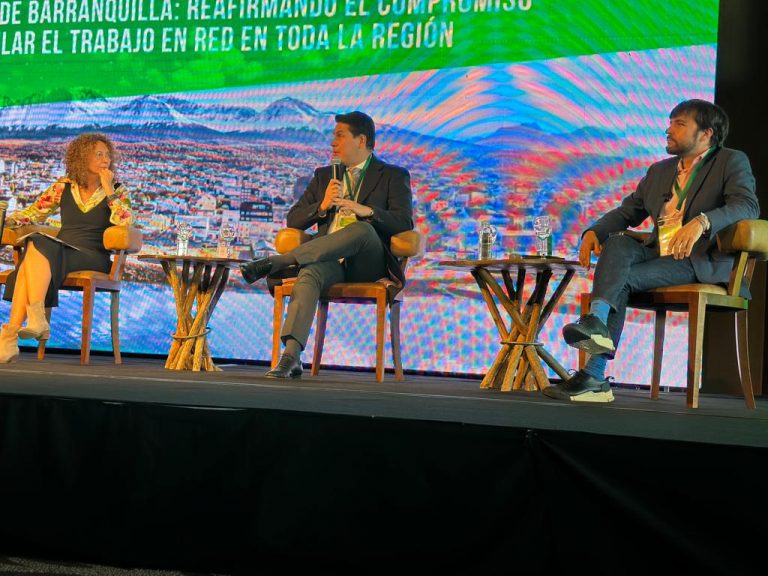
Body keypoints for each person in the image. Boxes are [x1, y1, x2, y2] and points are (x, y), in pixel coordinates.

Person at [544, 99, 759, 402]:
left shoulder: (730, 161)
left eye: (679, 124)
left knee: (622, 278)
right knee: (617, 241)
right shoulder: (660, 170)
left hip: (698, 258)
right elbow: (628, 211)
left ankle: (594, 375)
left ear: (707, 134)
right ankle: (596, 327)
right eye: (670, 122)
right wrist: (594, 231)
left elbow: (747, 205)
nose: (668, 130)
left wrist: (702, 221)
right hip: (659, 252)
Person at [239, 111, 413, 378]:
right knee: (310, 272)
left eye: (340, 136)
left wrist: (364, 210)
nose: (333, 143)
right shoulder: (325, 177)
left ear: (361, 140)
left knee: (362, 229)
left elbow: (404, 222)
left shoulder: (392, 175)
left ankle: (277, 262)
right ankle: (292, 356)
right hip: (328, 259)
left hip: (367, 262)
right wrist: (321, 207)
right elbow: (293, 219)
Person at [0, 133, 133, 363]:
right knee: (32, 254)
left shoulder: (118, 191)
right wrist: (7, 221)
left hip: (93, 255)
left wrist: (108, 189)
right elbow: (34, 212)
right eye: (98, 155)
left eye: (107, 155)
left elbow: (125, 223)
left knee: (34, 250)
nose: (105, 160)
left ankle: (17, 332)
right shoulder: (63, 186)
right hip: (63, 250)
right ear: (82, 158)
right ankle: (21, 329)